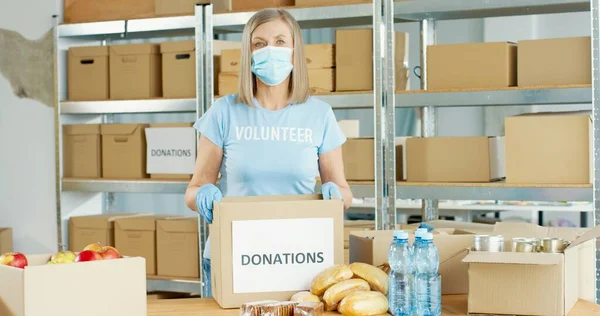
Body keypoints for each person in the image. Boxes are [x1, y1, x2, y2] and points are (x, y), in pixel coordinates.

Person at [184, 8, 353, 296]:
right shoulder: (223, 112)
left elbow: (344, 191)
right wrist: (202, 196)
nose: (269, 50)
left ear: (294, 49)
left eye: (279, 41)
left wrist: (336, 196)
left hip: (299, 257)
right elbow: (195, 188)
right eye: (259, 43)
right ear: (248, 52)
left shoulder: (319, 115)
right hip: (235, 255)